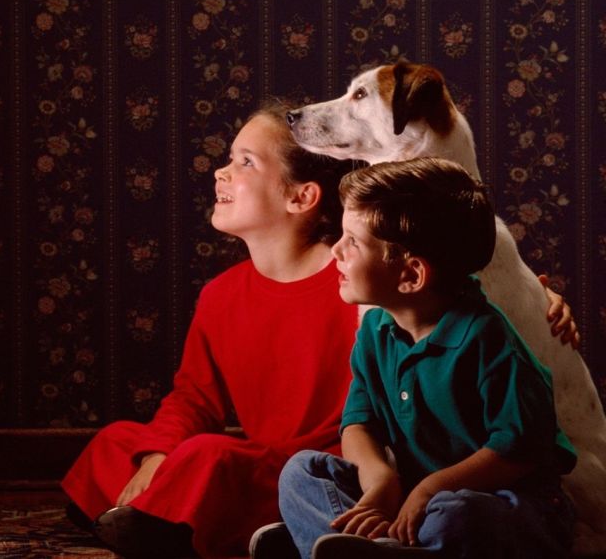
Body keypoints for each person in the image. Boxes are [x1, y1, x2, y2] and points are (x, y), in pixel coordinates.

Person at [61, 101, 579, 559]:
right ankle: (181, 508)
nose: (220, 172)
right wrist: (155, 456)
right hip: (308, 465)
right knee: (120, 442)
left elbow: (451, 289)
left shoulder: (361, 285)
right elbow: (193, 397)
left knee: (208, 457)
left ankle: (185, 521)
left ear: (302, 196)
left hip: (367, 461)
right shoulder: (229, 294)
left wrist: (539, 300)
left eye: (245, 162)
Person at [261, 158, 575, 559]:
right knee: (301, 472)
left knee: (455, 516)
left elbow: (519, 451)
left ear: (411, 274)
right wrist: (381, 482)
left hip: (507, 504)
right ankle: (367, 544)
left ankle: (331, 543)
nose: (336, 249)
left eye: (353, 241)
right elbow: (359, 423)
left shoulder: (488, 341)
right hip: (409, 497)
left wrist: (431, 489)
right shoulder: (376, 331)